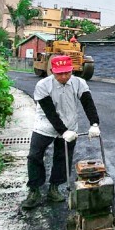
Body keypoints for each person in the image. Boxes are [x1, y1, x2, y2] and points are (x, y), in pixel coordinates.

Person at [20, 54, 101, 209]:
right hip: (45, 126)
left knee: (63, 157)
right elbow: (50, 112)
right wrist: (63, 131)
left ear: (72, 70)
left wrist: (94, 123)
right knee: (34, 156)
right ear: (52, 71)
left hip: (70, 125)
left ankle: (54, 188)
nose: (64, 77)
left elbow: (88, 104)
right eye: (59, 74)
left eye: (67, 73)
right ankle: (34, 190)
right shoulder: (43, 85)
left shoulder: (79, 83)